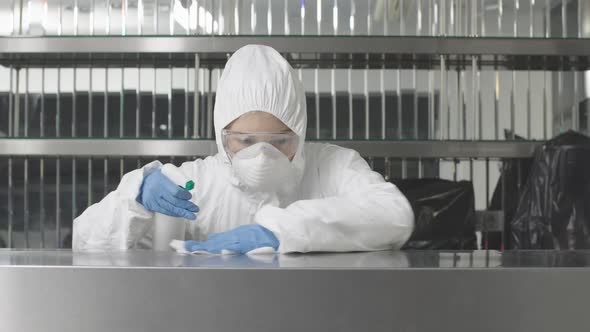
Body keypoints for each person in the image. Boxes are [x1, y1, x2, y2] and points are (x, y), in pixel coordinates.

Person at [72, 44, 414, 254]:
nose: (262, 155)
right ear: (222, 135)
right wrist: (135, 196)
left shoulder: (334, 166)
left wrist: (282, 230)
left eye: (280, 140)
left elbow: (395, 215)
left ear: (301, 131)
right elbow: (86, 241)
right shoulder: (193, 184)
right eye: (245, 141)